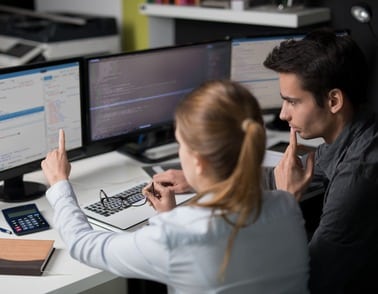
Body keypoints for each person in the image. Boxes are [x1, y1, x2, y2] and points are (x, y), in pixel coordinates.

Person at [155, 30, 378, 293]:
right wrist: (204, 178)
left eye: (292, 102)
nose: (284, 114)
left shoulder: (358, 175)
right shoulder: (356, 131)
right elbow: (285, 173)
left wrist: (285, 201)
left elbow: (309, 281)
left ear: (333, 101)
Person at [41, 80, 310, 294]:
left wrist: (59, 183)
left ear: (198, 161)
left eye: (181, 144)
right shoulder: (287, 205)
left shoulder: (177, 234)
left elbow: (83, 245)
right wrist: (170, 217)